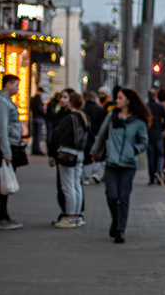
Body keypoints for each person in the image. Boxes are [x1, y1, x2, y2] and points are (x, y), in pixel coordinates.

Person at [91, 86, 150, 244]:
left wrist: (133, 150)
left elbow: (144, 142)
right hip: (111, 162)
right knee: (111, 195)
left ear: (128, 101)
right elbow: (102, 134)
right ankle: (116, 221)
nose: (117, 100)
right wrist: (94, 153)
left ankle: (120, 229)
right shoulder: (112, 116)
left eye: (120, 98)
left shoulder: (138, 122)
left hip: (128, 165)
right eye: (117, 97)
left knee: (123, 197)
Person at [0, 73, 25, 229]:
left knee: (4, 180)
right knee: (3, 181)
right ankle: (0, 217)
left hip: (9, 144)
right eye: (16, 85)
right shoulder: (2, 103)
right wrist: (7, 152)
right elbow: (2, 130)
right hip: (5, 146)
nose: (17, 88)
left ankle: (3, 215)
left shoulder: (5, 102)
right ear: (8, 84)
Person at [49, 89, 89, 228]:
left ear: (71, 103)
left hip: (67, 152)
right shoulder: (83, 117)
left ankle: (70, 216)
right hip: (79, 153)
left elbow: (56, 134)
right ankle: (77, 216)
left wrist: (52, 153)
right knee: (76, 184)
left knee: (67, 186)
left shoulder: (69, 118)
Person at [82, 88, 107, 185]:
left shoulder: (83, 108)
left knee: (85, 158)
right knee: (96, 155)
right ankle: (95, 172)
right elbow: (102, 123)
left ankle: (86, 177)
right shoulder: (99, 109)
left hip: (85, 135)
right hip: (96, 135)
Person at [145, 88, 165, 186]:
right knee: (160, 155)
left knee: (150, 156)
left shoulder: (145, 107)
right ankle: (158, 171)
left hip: (148, 134)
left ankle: (151, 178)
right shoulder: (160, 107)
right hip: (158, 134)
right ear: (155, 96)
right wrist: (161, 128)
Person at [29, 86, 47, 155]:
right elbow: (40, 109)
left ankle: (35, 148)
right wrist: (43, 114)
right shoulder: (38, 99)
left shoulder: (33, 99)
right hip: (38, 118)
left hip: (34, 117)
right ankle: (36, 149)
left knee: (35, 134)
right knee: (38, 134)